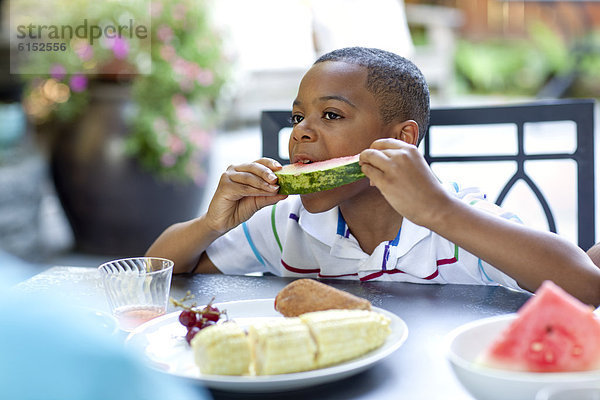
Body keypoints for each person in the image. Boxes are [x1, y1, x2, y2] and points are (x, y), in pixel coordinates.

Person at [147, 47, 600, 306]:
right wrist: (211, 225)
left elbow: (586, 285)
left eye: (330, 114)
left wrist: (440, 212)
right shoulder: (286, 225)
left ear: (401, 140)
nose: (300, 132)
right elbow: (154, 274)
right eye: (297, 116)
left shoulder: (455, 225)